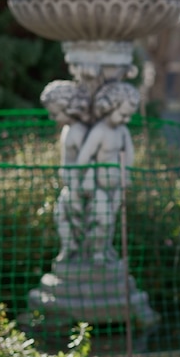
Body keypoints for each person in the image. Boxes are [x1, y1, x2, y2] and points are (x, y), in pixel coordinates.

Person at [76, 81, 138, 263]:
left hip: (116, 186)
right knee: (103, 220)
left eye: (129, 116)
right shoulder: (100, 131)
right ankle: (95, 252)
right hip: (99, 187)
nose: (126, 120)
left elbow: (130, 154)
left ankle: (105, 248)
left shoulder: (122, 131)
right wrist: (87, 177)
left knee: (112, 222)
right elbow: (83, 159)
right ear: (110, 107)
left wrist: (127, 173)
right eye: (123, 115)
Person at [40, 80, 91, 262]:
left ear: (67, 108)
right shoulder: (69, 129)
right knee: (62, 216)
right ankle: (70, 247)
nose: (52, 118)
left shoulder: (78, 131)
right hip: (70, 185)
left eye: (55, 113)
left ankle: (76, 249)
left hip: (77, 186)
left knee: (74, 219)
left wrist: (81, 185)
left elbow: (87, 160)